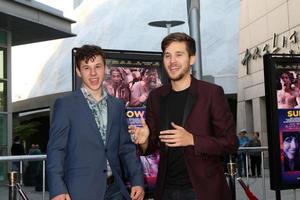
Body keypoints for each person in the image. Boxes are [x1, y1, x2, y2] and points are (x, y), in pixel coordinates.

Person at [128, 32, 238, 200]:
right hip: (166, 190)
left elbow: (230, 143)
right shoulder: (156, 97)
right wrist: (144, 141)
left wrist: (192, 139)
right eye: (167, 56)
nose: (172, 61)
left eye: (179, 55)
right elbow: (151, 146)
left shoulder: (211, 94)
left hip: (203, 191)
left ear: (191, 58)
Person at [47, 45, 144, 200]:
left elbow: (126, 148)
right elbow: (56, 150)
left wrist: (137, 180)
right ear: (78, 72)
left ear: (105, 68)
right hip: (80, 191)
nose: (93, 73)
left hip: (116, 190)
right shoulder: (65, 105)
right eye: (86, 68)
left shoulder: (117, 105)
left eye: (97, 66)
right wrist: (57, 189)